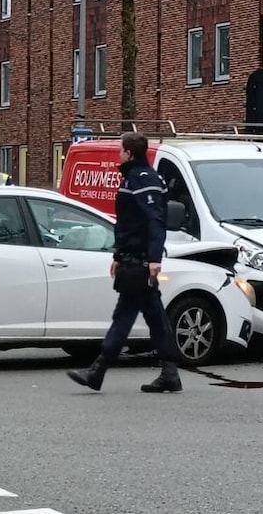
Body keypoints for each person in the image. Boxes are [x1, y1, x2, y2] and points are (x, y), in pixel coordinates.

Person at [67, 132, 183, 393]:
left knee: (124, 315)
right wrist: (118, 256)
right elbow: (128, 224)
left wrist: (153, 258)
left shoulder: (143, 180)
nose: (118, 154)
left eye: (121, 150)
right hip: (133, 258)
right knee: (154, 316)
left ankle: (97, 370)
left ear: (130, 153)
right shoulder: (135, 178)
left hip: (140, 261)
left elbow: (154, 220)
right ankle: (169, 373)